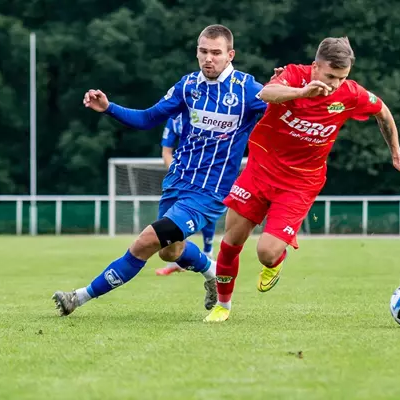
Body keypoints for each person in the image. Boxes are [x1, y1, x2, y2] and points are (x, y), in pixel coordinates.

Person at [52, 24, 267, 316]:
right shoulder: (187, 86)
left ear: (230, 55)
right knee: (170, 252)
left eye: (216, 53)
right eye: (203, 51)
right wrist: (109, 107)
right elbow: (147, 119)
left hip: (208, 192)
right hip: (177, 183)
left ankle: (77, 298)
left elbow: (282, 115)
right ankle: (213, 273)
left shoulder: (248, 90)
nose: (208, 58)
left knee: (146, 241)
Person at [204, 37, 400, 322]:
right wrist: (301, 92)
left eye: (343, 78)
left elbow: (382, 111)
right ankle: (223, 306)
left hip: (300, 183)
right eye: (331, 76)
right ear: (315, 66)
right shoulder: (294, 75)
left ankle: (276, 261)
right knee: (231, 241)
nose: (336, 84)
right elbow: (267, 93)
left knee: (266, 253)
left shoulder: (350, 94)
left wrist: (395, 152)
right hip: (259, 171)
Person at [155, 114, 217, 276]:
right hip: (179, 179)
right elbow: (166, 152)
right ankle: (179, 259)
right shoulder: (174, 119)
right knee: (166, 226)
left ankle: (208, 253)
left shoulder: (209, 114)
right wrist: (178, 174)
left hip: (205, 178)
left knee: (205, 213)